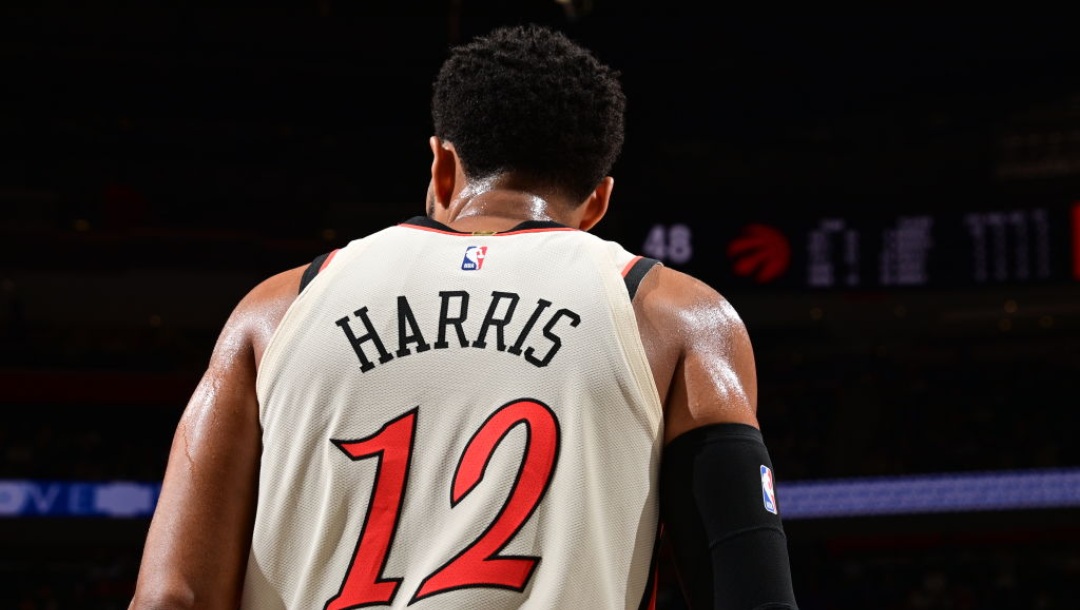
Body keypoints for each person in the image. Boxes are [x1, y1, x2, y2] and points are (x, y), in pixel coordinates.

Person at [129, 23, 799, 610]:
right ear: (598, 202)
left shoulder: (276, 309)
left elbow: (170, 596)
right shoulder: (678, 316)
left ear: (442, 167)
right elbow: (753, 593)